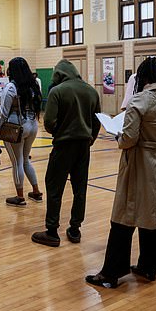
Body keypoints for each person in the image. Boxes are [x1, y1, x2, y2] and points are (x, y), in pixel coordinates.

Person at [86, 58, 156, 288]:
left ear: (143, 77)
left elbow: (127, 139)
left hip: (140, 163)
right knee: (154, 214)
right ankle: (149, 267)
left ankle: (112, 272)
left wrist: (117, 135)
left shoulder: (141, 99)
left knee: (124, 215)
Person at [31, 59, 101, 247]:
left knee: (54, 186)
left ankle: (52, 231)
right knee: (80, 187)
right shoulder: (91, 91)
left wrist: (60, 132)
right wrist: (90, 139)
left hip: (63, 146)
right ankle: (75, 228)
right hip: (83, 147)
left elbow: (49, 123)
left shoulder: (57, 91)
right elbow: (97, 122)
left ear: (59, 75)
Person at [0, 57, 43, 207]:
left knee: (17, 162)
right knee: (26, 160)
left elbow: (3, 112)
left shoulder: (11, 87)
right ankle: (36, 191)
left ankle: (20, 197)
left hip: (16, 127)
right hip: (33, 125)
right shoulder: (33, 85)